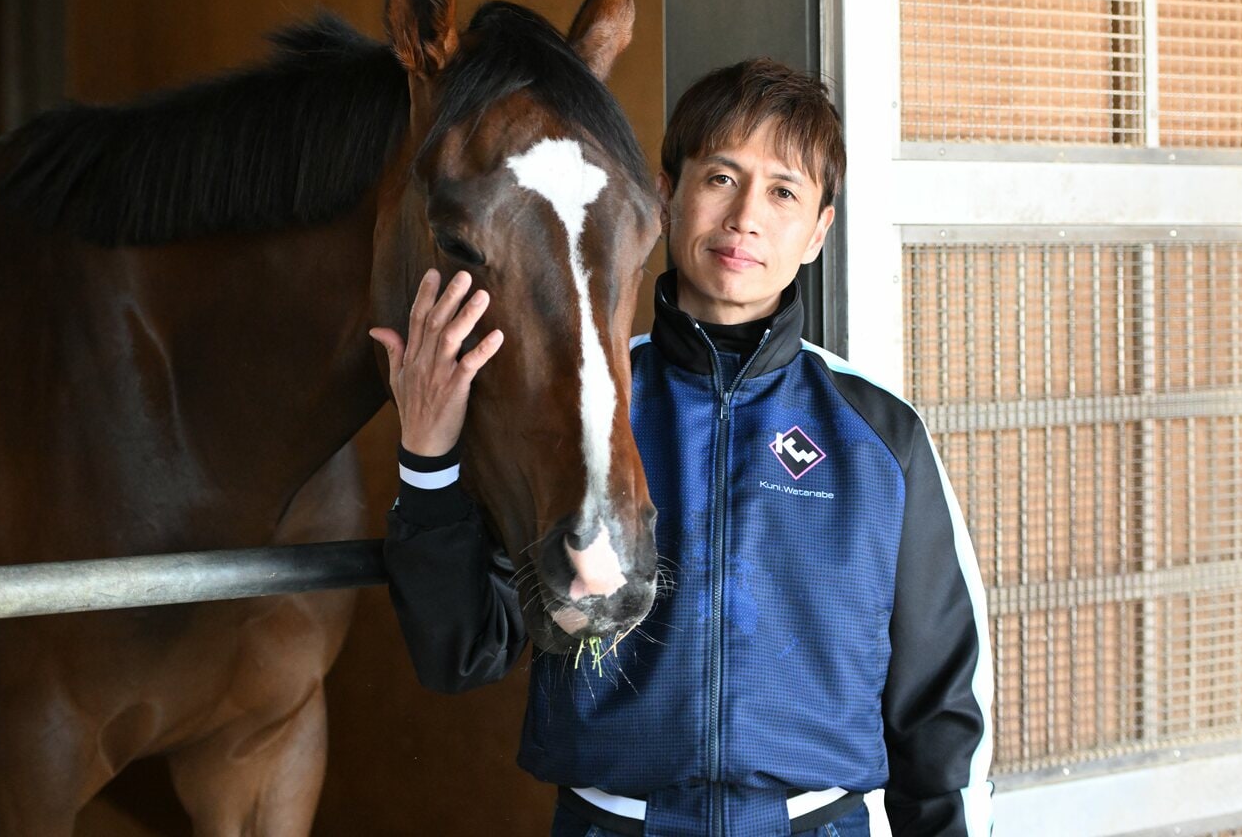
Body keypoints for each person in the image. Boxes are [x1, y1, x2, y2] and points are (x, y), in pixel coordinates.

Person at [371, 59, 993, 837]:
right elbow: (461, 649)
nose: (745, 219)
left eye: (783, 192)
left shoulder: (878, 436)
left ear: (819, 232)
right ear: (665, 196)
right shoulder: (580, 406)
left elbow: (939, 708)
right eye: (722, 178)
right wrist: (428, 458)